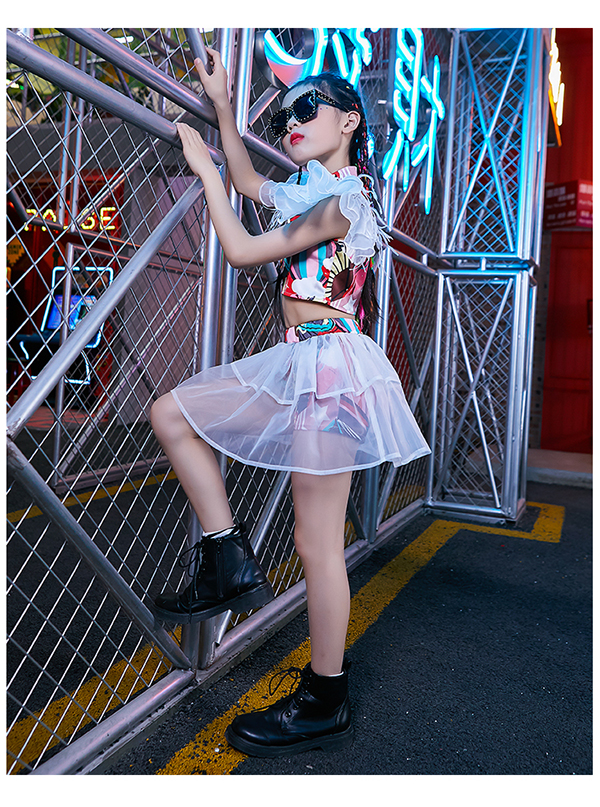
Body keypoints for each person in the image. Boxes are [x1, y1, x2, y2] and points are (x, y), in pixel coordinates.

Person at [150, 46, 430, 758]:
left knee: (316, 544)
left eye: (307, 107)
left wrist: (206, 171)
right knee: (173, 414)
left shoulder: (343, 203)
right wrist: (222, 108)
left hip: (329, 370)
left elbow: (243, 248)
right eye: (283, 116)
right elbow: (252, 182)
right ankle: (227, 556)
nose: (291, 121)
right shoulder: (313, 192)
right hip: (303, 361)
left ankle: (325, 697)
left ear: (350, 120)